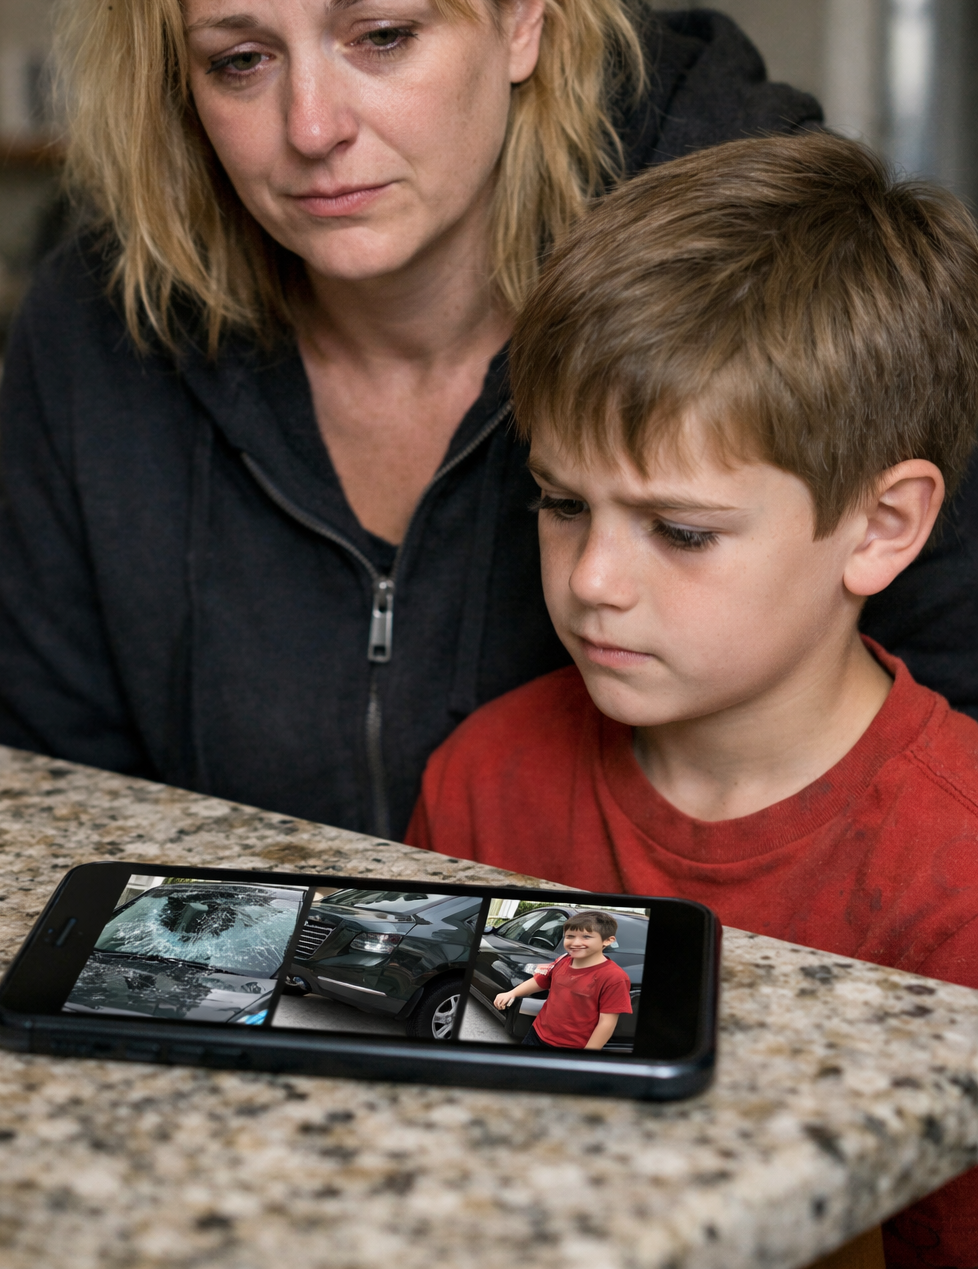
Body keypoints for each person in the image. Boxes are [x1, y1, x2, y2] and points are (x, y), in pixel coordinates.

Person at [0, 0, 972, 841]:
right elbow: (57, 800)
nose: (312, 128)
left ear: (521, 8)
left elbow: (950, 722)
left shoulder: (765, 270)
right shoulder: (99, 323)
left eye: (381, 36)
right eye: (239, 61)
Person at [405, 132, 978, 1266]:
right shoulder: (483, 780)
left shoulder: (954, 875)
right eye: (563, 504)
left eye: (678, 530)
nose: (592, 581)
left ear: (881, 527)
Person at [493, 911, 632, 1051]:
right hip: (536, 1034)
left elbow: (606, 1023)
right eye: (570, 936)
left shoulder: (614, 977)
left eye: (586, 937)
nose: (575, 943)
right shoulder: (563, 960)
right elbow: (541, 981)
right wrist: (512, 993)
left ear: (607, 940)